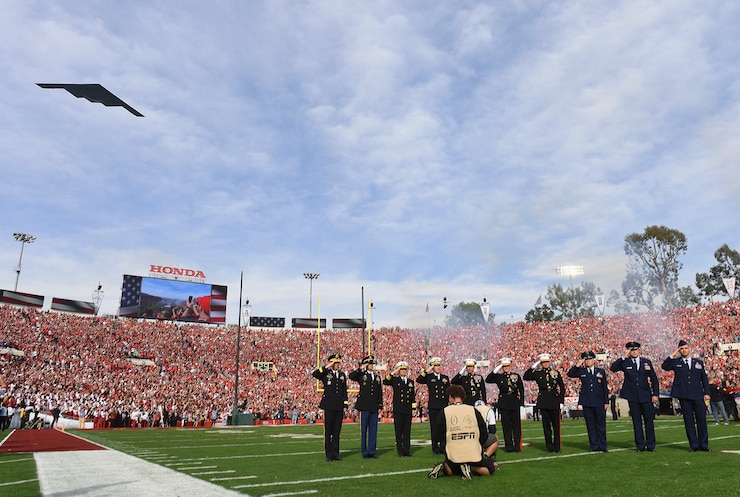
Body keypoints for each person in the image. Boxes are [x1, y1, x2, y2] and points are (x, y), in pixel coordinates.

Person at [427, 384, 496, 480]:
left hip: (453, 454)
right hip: (473, 453)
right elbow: (483, 433)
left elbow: (436, 436)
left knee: (454, 468)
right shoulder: (473, 410)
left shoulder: (444, 411)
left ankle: (446, 466)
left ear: (451, 397)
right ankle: (471, 467)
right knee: (490, 469)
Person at [610, 341, 660, 452]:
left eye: (635, 349)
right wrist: (623, 356)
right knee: (636, 421)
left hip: (645, 394)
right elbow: (613, 368)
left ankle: (651, 445)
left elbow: (654, 379)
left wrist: (655, 394)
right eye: (631, 350)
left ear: (639, 350)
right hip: (632, 396)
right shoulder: (625, 362)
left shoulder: (646, 362)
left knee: (649, 420)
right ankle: (640, 445)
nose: (634, 352)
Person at [661, 339, 711, 452]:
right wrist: (673, 354)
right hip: (684, 395)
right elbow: (664, 366)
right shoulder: (676, 362)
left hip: (697, 394)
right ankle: (694, 445)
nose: (684, 350)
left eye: (686, 348)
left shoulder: (698, 362)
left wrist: (707, 393)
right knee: (689, 421)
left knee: (701, 420)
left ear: (690, 349)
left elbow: (704, 379)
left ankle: (704, 444)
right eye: (681, 349)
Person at [567, 351, 609, 452]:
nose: (588, 361)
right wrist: (578, 364)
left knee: (601, 425)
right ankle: (594, 446)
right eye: (586, 360)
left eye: (589, 359)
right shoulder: (582, 371)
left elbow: (604, 387)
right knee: (590, 426)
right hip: (587, 402)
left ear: (593, 360)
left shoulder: (601, 371)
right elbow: (570, 374)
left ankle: (603, 446)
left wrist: (606, 401)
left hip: (599, 401)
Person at [524, 353, 565, 452]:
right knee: (546, 427)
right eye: (543, 362)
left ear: (550, 362)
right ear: (541, 364)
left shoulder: (555, 373)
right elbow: (526, 376)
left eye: (547, 362)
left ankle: (557, 447)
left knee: (556, 427)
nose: (546, 364)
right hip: (544, 401)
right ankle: (549, 447)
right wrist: (534, 365)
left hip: (554, 401)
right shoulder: (538, 373)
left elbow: (562, 387)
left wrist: (561, 400)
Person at [312, 353, 349, 461]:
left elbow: (344, 391)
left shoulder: (342, 375)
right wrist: (327, 366)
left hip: (339, 405)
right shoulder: (326, 373)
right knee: (328, 431)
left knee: (337, 431)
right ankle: (328, 454)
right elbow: (315, 374)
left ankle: (335, 453)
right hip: (328, 405)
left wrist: (345, 403)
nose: (337, 364)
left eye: (338, 362)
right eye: (335, 362)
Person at [485, 357, 525, 452]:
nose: (506, 367)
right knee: (506, 426)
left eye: (507, 366)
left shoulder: (516, 376)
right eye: (504, 366)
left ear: (510, 366)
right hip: (504, 403)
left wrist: (521, 402)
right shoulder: (499, 376)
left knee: (516, 426)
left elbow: (521, 389)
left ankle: (517, 446)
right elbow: (488, 379)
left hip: (514, 402)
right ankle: (509, 446)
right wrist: (496, 369)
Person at [349, 354, 383, 459]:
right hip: (364, 406)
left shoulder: (377, 376)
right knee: (364, 430)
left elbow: (379, 392)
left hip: (374, 406)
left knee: (373, 430)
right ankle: (364, 452)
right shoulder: (361, 375)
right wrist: (360, 368)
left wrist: (380, 405)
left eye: (372, 363)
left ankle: (372, 451)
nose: (372, 365)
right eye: (369, 364)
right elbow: (351, 376)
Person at [416, 356, 450, 454]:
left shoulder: (445, 378)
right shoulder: (429, 377)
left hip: (443, 406)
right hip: (434, 406)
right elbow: (419, 380)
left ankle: (443, 446)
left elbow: (448, 391)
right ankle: (435, 447)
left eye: (439, 365)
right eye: (435, 365)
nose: (438, 367)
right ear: (432, 367)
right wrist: (427, 370)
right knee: (434, 427)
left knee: (444, 427)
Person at [383, 361, 417, 457]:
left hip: (407, 409)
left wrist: (413, 407)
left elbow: (412, 396)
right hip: (398, 409)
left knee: (407, 431)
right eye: (401, 369)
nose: (403, 371)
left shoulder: (410, 382)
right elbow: (385, 381)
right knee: (399, 432)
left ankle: (406, 450)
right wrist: (394, 372)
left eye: (404, 369)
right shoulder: (395, 380)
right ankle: (400, 451)